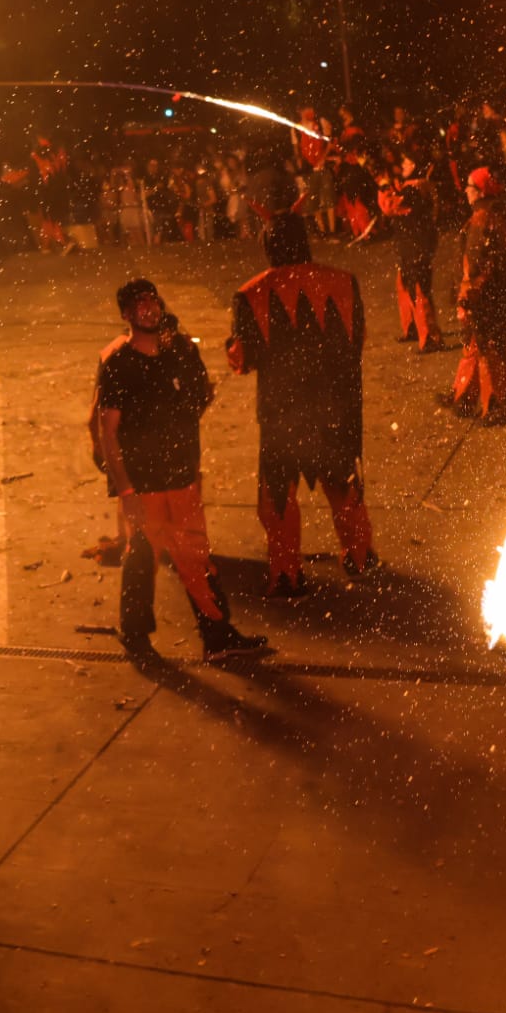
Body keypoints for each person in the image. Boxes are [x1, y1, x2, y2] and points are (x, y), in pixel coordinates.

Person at [95, 278, 269, 663]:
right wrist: (125, 492)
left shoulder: (178, 354)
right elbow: (108, 432)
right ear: (126, 314)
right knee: (142, 559)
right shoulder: (118, 363)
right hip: (143, 486)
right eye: (139, 303)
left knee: (195, 557)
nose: (148, 308)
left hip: (182, 478)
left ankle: (217, 636)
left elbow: (199, 398)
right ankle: (136, 638)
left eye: (152, 300)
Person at [226, 216, 376, 596]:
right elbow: (356, 340)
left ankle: (286, 573)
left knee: (276, 495)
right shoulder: (344, 282)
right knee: (342, 484)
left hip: (283, 412)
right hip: (335, 406)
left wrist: (236, 350)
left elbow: (243, 360)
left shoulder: (251, 294)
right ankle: (360, 557)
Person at [442, 168, 506, 423]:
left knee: (490, 349)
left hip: (488, 296)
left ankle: (499, 406)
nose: (465, 190)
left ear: (480, 191)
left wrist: (470, 294)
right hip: (495, 293)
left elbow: (478, 262)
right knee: (479, 345)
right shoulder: (492, 214)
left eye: (469, 186)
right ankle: (466, 397)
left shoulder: (483, 219)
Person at [377, 151, 445, 351]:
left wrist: (383, 186)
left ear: (416, 166)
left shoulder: (415, 190)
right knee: (405, 285)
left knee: (419, 290)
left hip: (416, 247)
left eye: (408, 161)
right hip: (411, 245)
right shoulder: (414, 187)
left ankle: (431, 338)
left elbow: (390, 207)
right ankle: (414, 327)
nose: (403, 164)